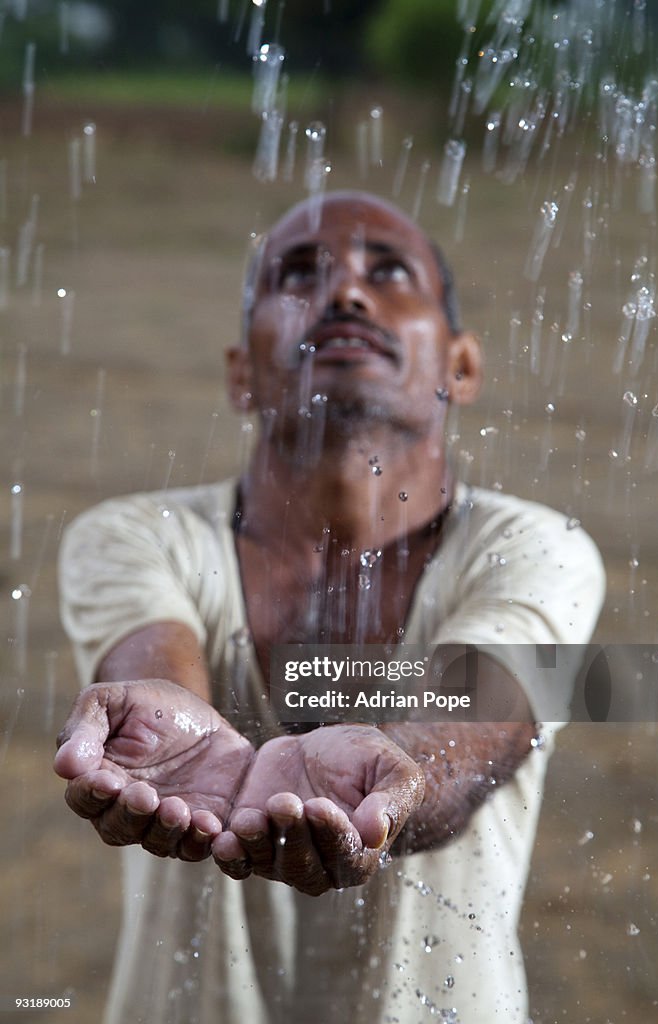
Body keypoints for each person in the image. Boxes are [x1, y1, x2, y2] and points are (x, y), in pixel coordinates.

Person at [54, 190, 605, 1023]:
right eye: (301, 272)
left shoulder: (539, 548)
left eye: (389, 271)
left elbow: (492, 715)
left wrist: (412, 772)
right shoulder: (137, 535)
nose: (346, 292)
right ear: (241, 372)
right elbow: (149, 658)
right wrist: (168, 717)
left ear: (461, 364)